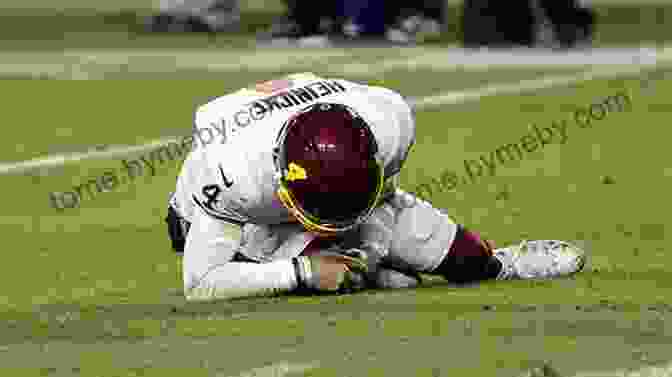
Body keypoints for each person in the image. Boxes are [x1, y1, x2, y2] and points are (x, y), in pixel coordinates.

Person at [166, 72, 586, 302]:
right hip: (219, 211)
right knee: (310, 269)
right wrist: (300, 272)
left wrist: (369, 249)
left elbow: (382, 202)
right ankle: (343, 267)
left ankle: (499, 264)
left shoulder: (389, 123)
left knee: (454, 255)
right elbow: (202, 283)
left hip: (310, 181)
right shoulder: (230, 174)